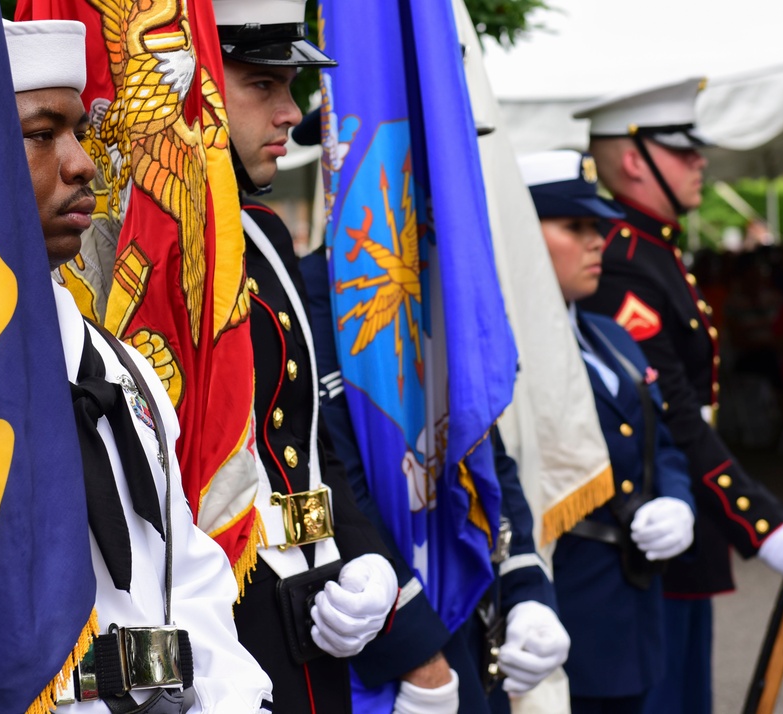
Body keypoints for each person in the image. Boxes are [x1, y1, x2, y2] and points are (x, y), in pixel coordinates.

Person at [0, 18, 273, 713]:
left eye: (78, 132)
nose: (82, 164)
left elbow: (191, 584)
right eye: (41, 135)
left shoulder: (124, 371)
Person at [292, 110, 570, 714]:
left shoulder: (449, 290)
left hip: (466, 618)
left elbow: (482, 451)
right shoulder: (297, 297)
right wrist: (414, 650)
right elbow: (327, 484)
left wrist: (526, 585)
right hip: (379, 646)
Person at [574, 78, 783, 713]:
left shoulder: (655, 250)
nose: (702, 163)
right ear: (635, 160)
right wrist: (760, 518)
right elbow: (668, 412)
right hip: (653, 530)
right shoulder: (622, 260)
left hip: (685, 522)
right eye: (684, 152)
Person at [214, 1, 399, 711]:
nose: (292, 112)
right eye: (262, 85)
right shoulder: (141, 247)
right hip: (226, 629)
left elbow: (303, 433)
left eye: (289, 86)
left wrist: (366, 557)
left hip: (311, 614)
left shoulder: (260, 231)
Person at [518, 150, 695, 713]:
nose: (598, 241)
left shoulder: (612, 335)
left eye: (598, 226)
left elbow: (659, 442)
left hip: (634, 616)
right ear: (522, 232)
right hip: (560, 614)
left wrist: (677, 500)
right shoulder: (507, 353)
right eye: (575, 226)